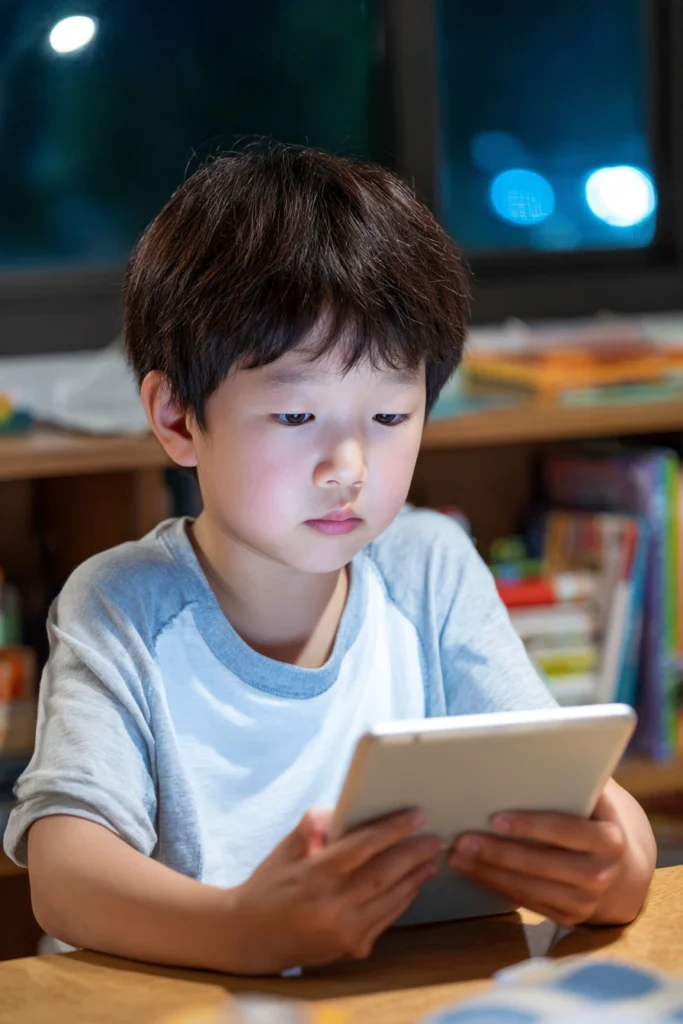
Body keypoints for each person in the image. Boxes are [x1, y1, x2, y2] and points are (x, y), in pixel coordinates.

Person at [4, 144, 655, 975]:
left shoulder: (427, 566)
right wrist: (244, 929)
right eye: (294, 417)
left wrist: (620, 861)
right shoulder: (121, 605)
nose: (348, 465)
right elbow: (63, 876)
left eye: (388, 417)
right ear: (175, 417)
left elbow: (562, 778)